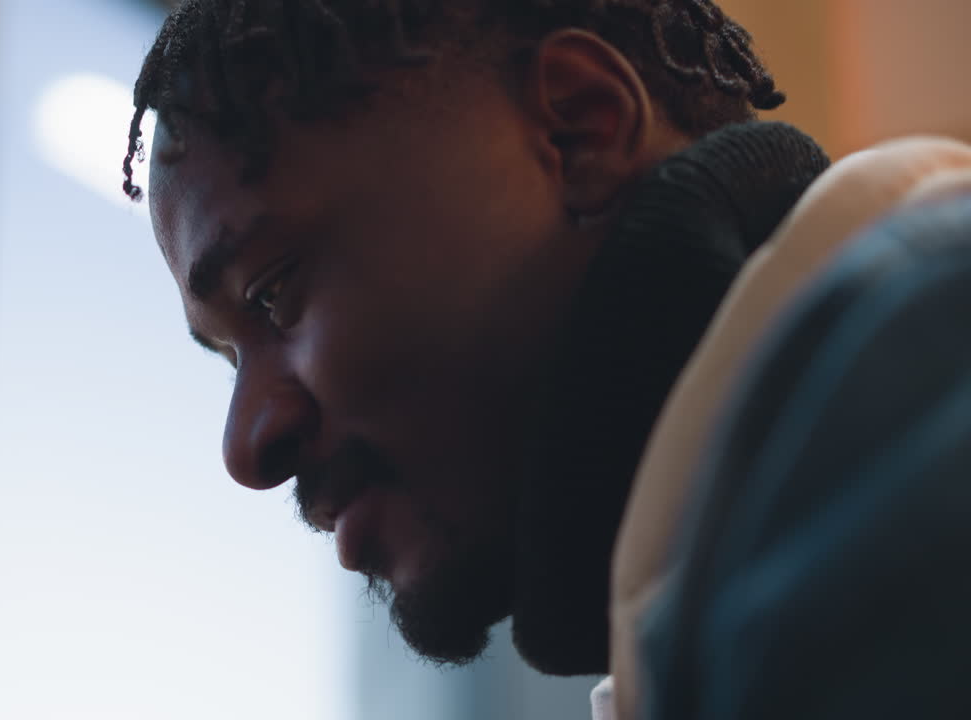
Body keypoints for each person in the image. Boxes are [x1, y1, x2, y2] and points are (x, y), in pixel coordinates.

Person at [122, 0, 830, 680]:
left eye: (273, 292)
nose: (246, 448)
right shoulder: (734, 619)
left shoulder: (918, 443)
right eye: (229, 359)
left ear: (578, 134)